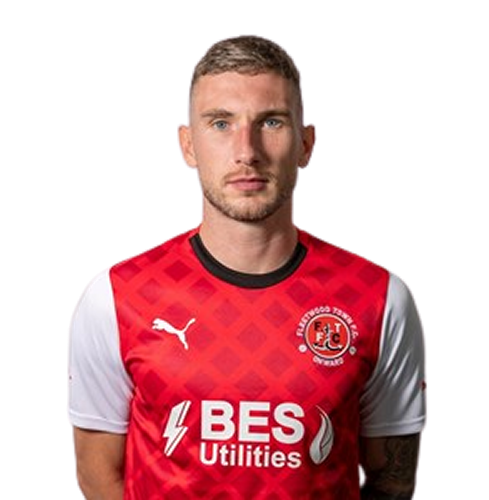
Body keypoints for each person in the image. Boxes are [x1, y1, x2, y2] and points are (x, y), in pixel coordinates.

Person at [67, 34, 428, 499]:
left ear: (306, 143)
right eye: (221, 123)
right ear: (187, 145)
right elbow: (99, 476)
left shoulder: (380, 299)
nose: (247, 151)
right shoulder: (115, 297)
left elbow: (393, 478)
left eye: (271, 121)